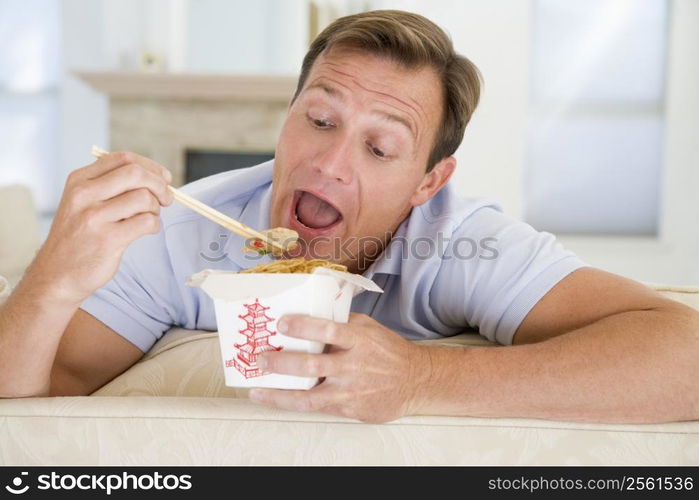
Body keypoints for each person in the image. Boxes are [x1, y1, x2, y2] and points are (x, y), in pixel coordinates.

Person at [0, 10, 697, 424]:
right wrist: (51, 280)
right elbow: (36, 408)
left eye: (378, 145)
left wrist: (422, 380)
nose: (330, 163)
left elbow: (684, 358)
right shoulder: (181, 233)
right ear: (285, 118)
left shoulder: (461, 245)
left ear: (429, 182)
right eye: (320, 118)